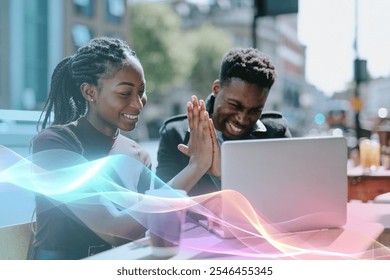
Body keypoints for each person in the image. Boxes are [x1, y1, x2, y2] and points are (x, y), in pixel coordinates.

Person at [29, 37, 216, 259]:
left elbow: (159, 220)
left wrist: (209, 163)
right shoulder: (54, 144)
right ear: (90, 92)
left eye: (141, 91)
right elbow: (115, 229)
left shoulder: (138, 154)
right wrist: (196, 166)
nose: (138, 104)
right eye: (125, 93)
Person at [156, 47, 291, 197]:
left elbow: (287, 196)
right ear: (216, 88)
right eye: (235, 105)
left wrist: (224, 175)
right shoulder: (175, 134)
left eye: (255, 111)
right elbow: (158, 205)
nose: (242, 118)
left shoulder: (276, 133)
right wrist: (198, 165)